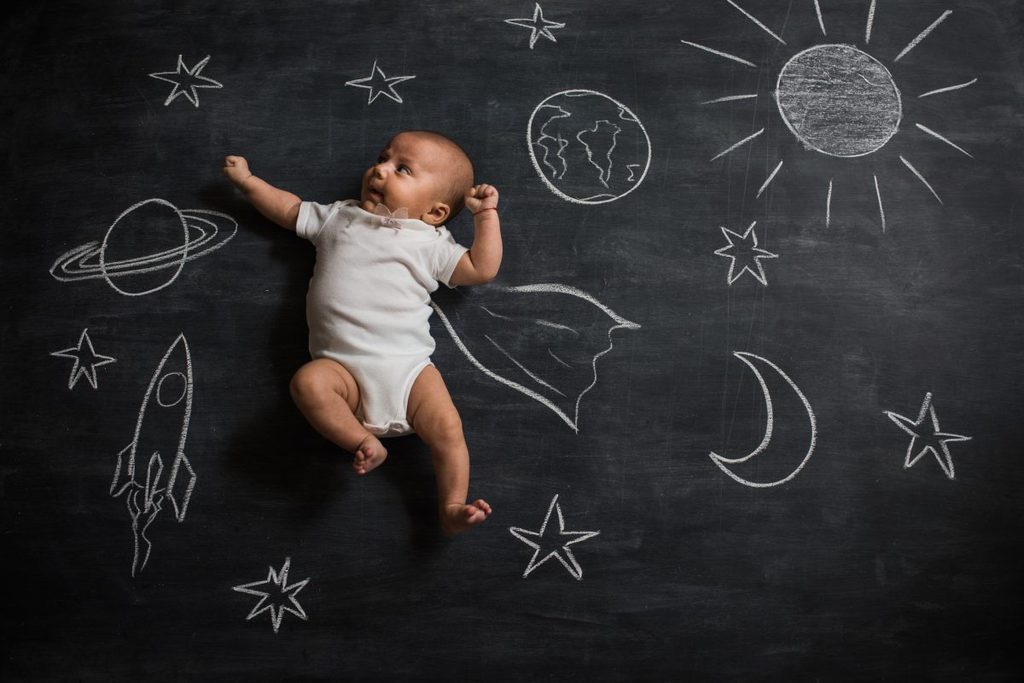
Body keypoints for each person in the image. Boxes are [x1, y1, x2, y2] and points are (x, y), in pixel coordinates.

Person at [223, 130, 502, 535]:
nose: (380, 169)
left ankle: (451, 504)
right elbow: (289, 209)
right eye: (382, 158)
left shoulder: (431, 243)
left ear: (436, 212)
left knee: (448, 430)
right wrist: (250, 183)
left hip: (407, 371)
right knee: (307, 384)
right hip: (343, 372)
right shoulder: (341, 217)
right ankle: (362, 442)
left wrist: (485, 217)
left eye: (401, 168)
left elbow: (482, 268)